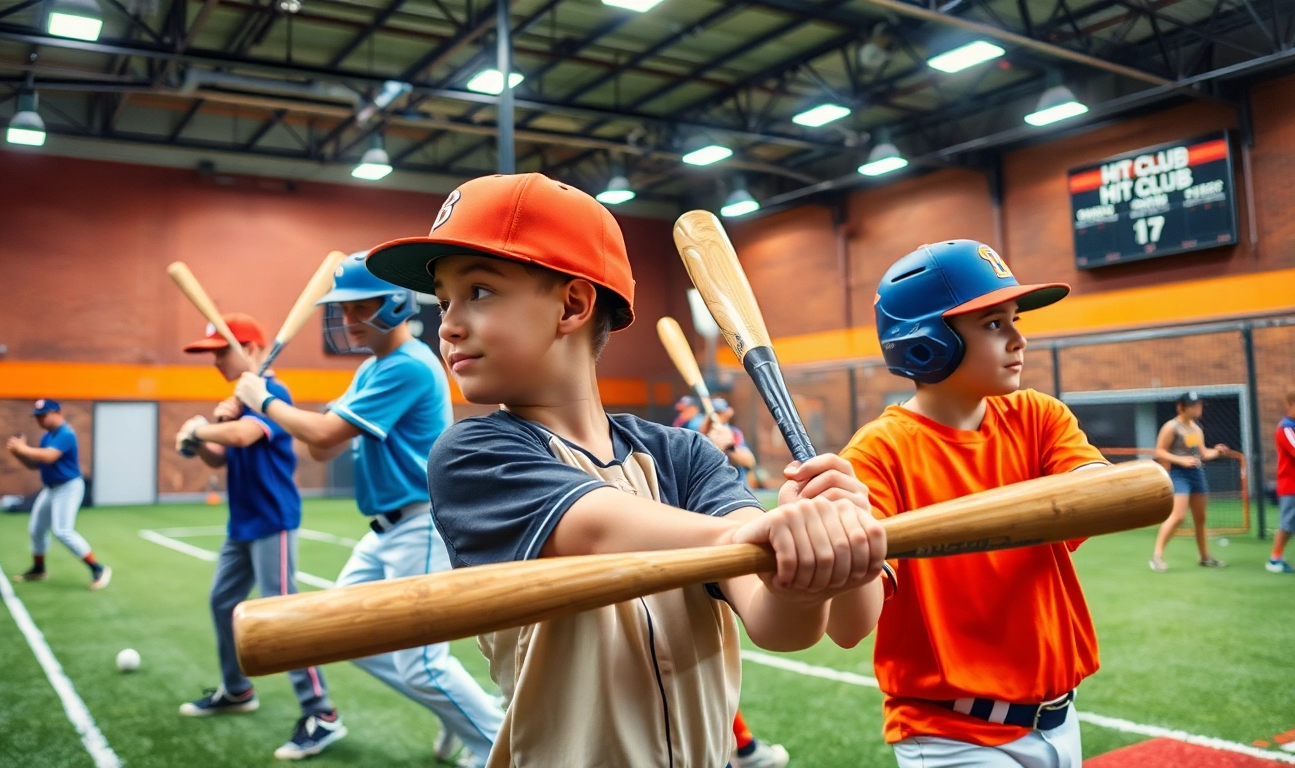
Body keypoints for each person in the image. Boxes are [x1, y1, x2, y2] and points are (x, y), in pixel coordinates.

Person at [365, 172, 891, 767]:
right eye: (443, 302)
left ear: (573, 304)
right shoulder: (474, 455)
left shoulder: (683, 456)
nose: (449, 324)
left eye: (479, 292)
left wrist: (817, 540)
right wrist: (753, 533)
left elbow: (780, 628)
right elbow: (597, 529)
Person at [842, 240, 1108, 768]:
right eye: (993, 324)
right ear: (927, 343)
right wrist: (842, 554)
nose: (1019, 338)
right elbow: (850, 626)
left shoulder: (1037, 417)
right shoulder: (879, 453)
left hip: (1060, 720)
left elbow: (1099, 495)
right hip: (949, 734)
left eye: (1013, 319)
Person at [232, 254, 504, 767]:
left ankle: (498, 748)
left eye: (361, 308)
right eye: (345, 309)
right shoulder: (372, 367)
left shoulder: (408, 366)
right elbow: (321, 447)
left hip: (420, 522)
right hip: (385, 529)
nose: (349, 319)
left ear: (397, 304)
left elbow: (325, 433)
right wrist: (259, 399)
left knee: (422, 665)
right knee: (346, 635)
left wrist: (261, 399)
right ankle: (461, 718)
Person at [174, 313, 344, 761]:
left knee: (282, 612)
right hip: (241, 523)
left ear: (251, 350)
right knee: (222, 603)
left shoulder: (271, 394)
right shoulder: (235, 398)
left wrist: (200, 429)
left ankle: (320, 712)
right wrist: (198, 443)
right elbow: (219, 456)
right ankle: (237, 690)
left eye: (221, 351)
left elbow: (244, 435)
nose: (214, 361)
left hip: (273, 519)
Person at [677, 398, 784, 768]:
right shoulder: (689, 434)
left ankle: (742, 746)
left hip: (736, 514)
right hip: (699, 533)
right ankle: (744, 746)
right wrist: (710, 442)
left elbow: (750, 465)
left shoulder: (730, 432)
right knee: (699, 655)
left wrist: (731, 448)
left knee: (713, 653)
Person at [6, 399, 111, 590]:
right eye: (38, 417)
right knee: (36, 529)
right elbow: (34, 464)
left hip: (68, 487)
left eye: (43, 415)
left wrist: (24, 448)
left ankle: (98, 568)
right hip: (51, 488)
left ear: (57, 413)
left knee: (62, 531)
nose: (40, 420)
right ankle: (39, 569)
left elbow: (49, 456)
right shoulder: (48, 437)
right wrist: (18, 453)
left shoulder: (66, 434)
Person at [1149, 391, 1233, 572]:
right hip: (1179, 474)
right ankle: (1156, 556)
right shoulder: (1171, 427)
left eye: (1199, 405)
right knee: (1178, 516)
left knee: (1200, 518)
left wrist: (1217, 452)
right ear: (1181, 407)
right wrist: (1181, 461)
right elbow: (1160, 452)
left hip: (1197, 473)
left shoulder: (1196, 429)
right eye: (1193, 405)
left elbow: (1202, 453)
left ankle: (1204, 557)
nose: (1198, 408)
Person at [1267, 388, 1295, 573]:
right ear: (1290, 405)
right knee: (1287, 523)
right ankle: (1275, 559)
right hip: (1290, 485)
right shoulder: (1286, 427)